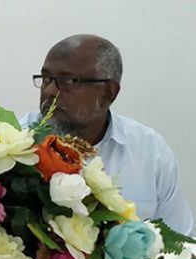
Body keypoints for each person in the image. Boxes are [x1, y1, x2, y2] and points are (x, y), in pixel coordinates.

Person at [20, 34, 192, 234]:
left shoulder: (150, 151)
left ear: (108, 93)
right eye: (46, 79)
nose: (49, 91)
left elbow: (181, 243)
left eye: (67, 81)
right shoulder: (16, 145)